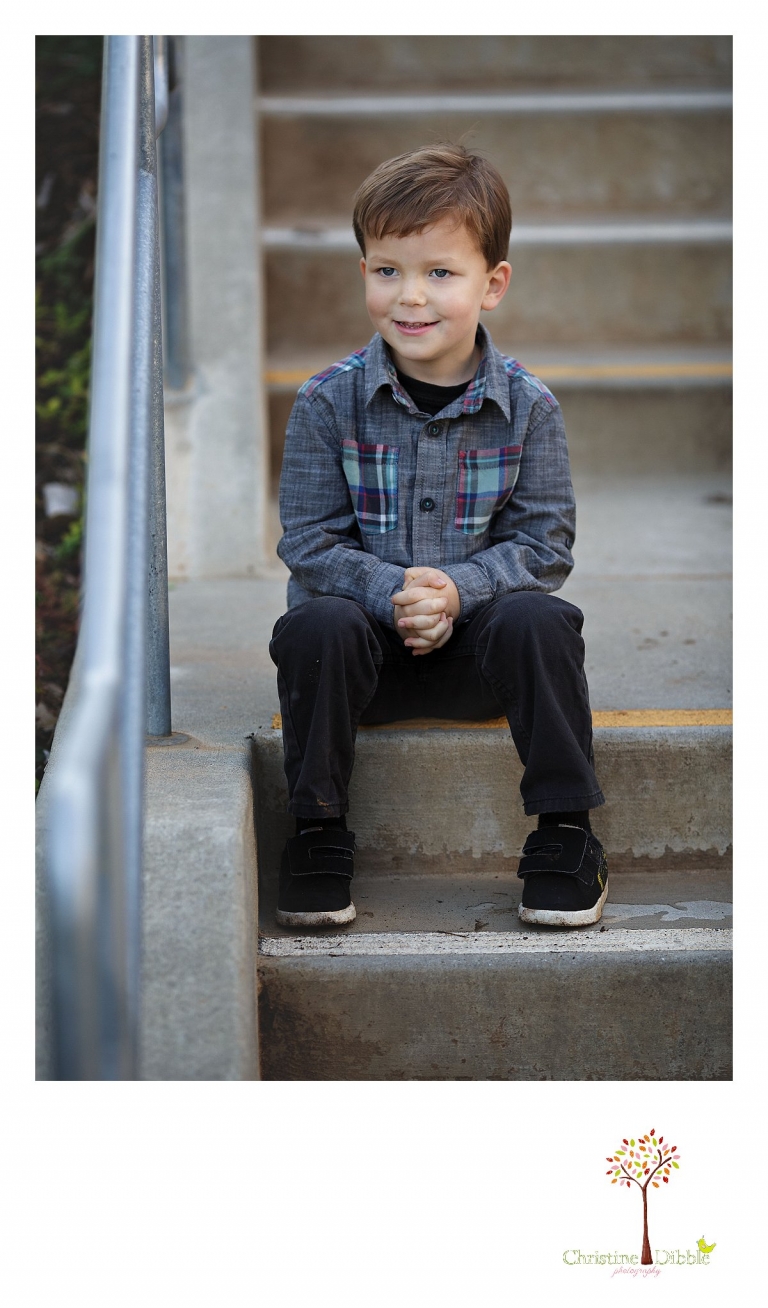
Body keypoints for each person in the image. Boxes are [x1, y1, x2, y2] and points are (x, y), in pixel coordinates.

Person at [269, 143, 607, 930]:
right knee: (313, 624)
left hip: (478, 659)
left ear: (493, 284)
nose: (411, 296)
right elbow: (309, 541)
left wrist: (459, 591)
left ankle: (566, 831)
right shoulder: (325, 403)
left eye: (441, 273)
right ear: (363, 272)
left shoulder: (529, 408)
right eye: (388, 270)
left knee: (543, 620)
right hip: (363, 663)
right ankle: (317, 830)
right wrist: (394, 591)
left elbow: (544, 544)